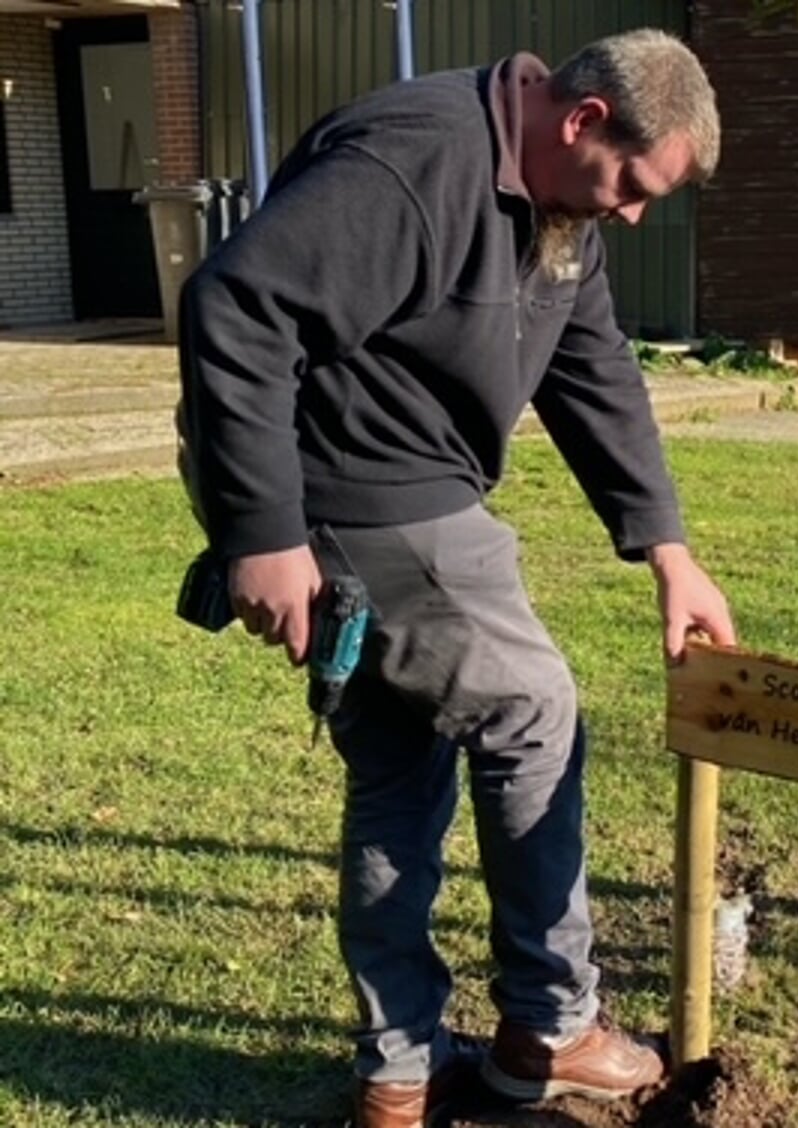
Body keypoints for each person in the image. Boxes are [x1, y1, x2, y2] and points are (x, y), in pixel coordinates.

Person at [175, 28, 736, 1128]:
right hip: (366, 496)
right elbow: (236, 304)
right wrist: (265, 532)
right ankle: (553, 1022)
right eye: (632, 184)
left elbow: (591, 363)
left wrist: (666, 546)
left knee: (400, 772)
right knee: (534, 710)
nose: (631, 213)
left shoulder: (561, 206)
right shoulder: (417, 161)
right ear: (581, 121)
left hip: (397, 491)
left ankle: (400, 1069)